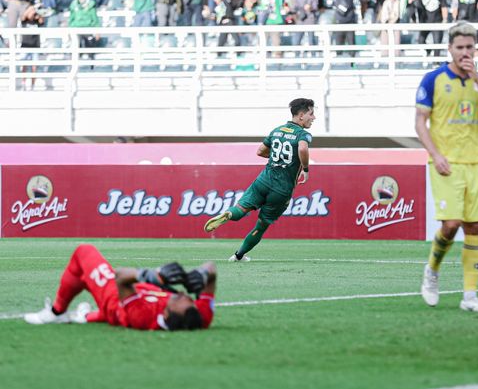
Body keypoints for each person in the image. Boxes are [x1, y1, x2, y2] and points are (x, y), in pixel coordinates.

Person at [415, 21, 478, 313]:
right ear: (450, 48)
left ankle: (470, 295)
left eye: (470, 47)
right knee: (451, 224)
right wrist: (435, 154)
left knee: (474, 225)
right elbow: (420, 123)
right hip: (446, 163)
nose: (465, 52)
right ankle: (432, 270)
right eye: (460, 47)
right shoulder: (433, 80)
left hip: (475, 163)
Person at [204, 98, 316, 261]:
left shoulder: (276, 130)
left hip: (263, 181)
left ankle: (229, 214)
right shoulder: (303, 134)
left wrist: (278, 159)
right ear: (300, 115)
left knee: (241, 209)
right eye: (311, 114)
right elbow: (303, 148)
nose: (313, 117)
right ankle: (239, 255)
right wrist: (305, 169)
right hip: (281, 189)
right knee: (261, 226)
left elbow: (260, 151)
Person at [24, 244, 216, 331]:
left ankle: (56, 312)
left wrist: (151, 274)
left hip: (114, 298)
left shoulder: (142, 317)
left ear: (166, 315)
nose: (184, 294)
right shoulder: (198, 316)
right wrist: (202, 274)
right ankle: (86, 316)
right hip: (139, 293)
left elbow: (121, 277)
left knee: (84, 253)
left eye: (178, 299)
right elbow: (212, 268)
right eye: (189, 299)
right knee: (83, 277)